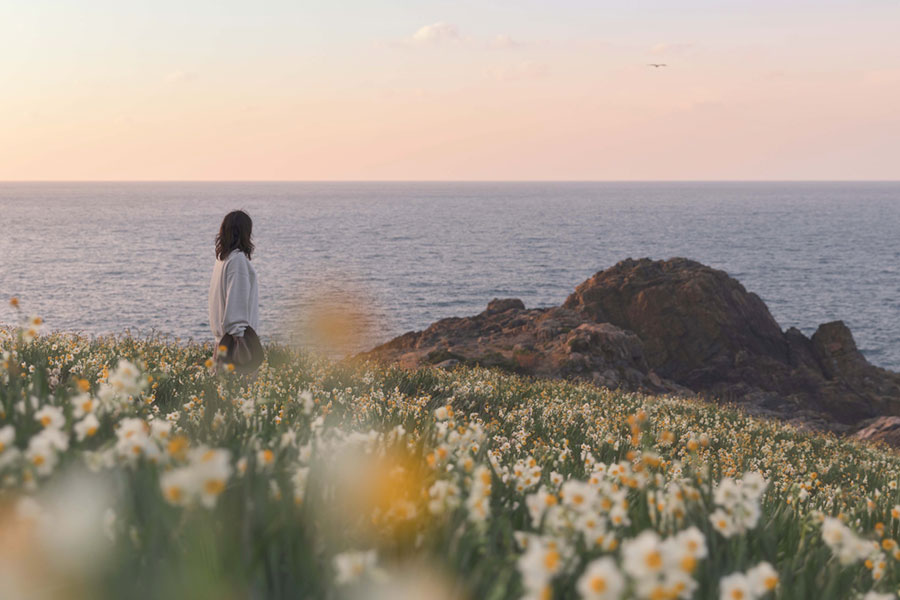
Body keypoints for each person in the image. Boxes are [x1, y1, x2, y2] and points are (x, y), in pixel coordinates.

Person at [208, 210, 261, 372]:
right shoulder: (237, 261)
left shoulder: (223, 259)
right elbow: (235, 301)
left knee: (221, 393)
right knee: (242, 394)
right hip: (235, 344)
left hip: (222, 342)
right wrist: (240, 340)